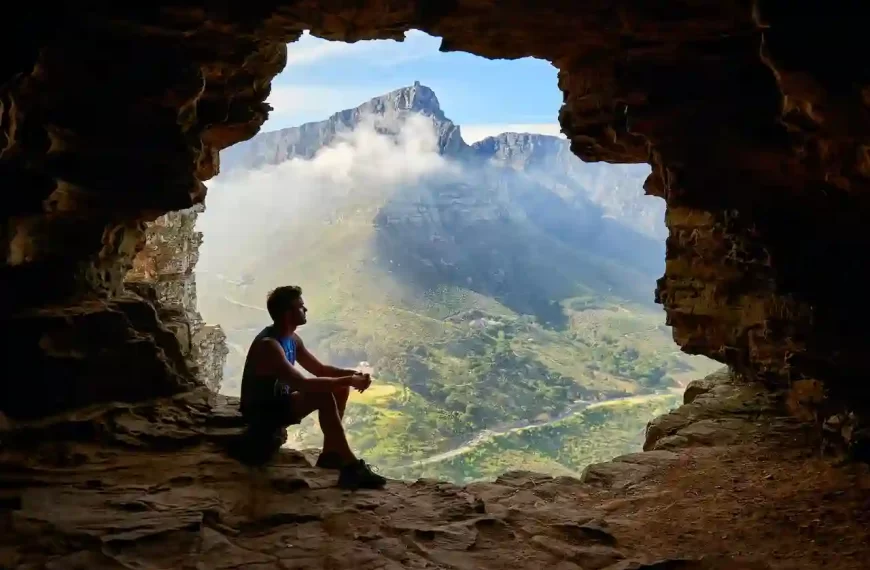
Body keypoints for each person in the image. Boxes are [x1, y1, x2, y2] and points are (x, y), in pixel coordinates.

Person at [239, 285, 386, 489]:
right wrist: (350, 380)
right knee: (323, 396)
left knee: (339, 389)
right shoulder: (269, 345)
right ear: (288, 314)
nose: (305, 309)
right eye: (300, 306)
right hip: (263, 412)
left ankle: (331, 455)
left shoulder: (291, 339)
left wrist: (351, 375)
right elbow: (303, 384)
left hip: (279, 402)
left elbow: (319, 369)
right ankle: (352, 468)